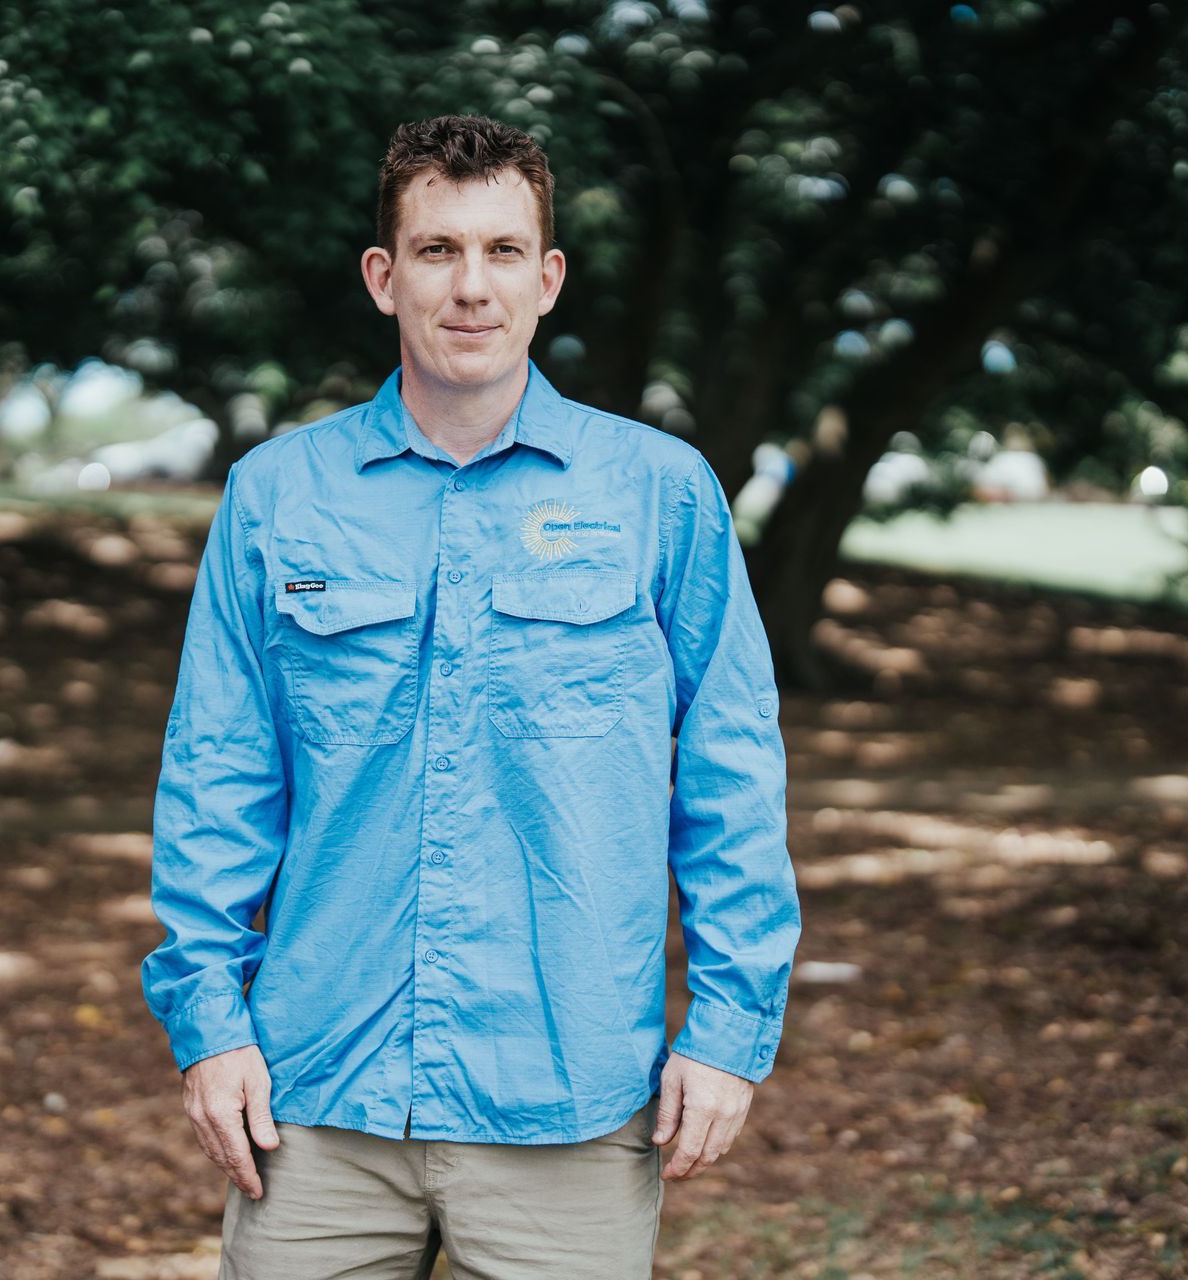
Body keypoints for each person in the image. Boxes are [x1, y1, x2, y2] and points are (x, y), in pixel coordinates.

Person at [141, 113, 801, 1278]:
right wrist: (210, 1023)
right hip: (316, 1098)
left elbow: (732, 773)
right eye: (438, 250)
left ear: (547, 279)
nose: (470, 287)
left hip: (569, 1095)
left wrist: (731, 1031)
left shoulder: (663, 493)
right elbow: (218, 776)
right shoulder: (277, 497)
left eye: (502, 251)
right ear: (383, 277)